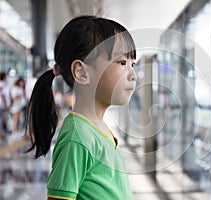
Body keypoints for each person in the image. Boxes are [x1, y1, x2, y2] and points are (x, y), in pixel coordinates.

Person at [25, 15, 137, 200]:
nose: (132, 74)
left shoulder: (97, 129)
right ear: (82, 72)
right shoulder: (78, 138)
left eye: (133, 64)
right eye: (122, 63)